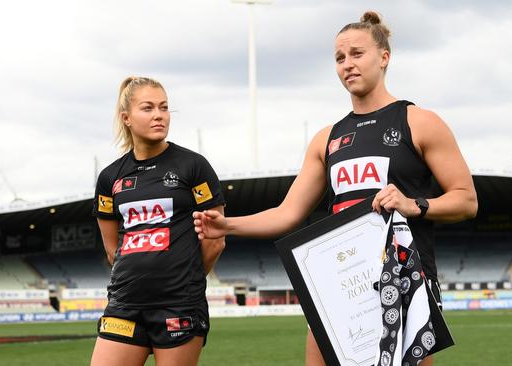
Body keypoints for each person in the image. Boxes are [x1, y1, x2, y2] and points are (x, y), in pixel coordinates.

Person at [193, 10, 477, 366]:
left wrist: (413, 204)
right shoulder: (326, 139)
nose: (347, 64)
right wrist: (229, 225)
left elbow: (466, 201)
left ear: (384, 57)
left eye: (357, 54)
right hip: (339, 289)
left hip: (403, 281)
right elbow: (288, 213)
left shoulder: (419, 122)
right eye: (340, 58)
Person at [90, 76, 226, 366]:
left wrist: (183, 279)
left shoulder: (193, 166)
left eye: (164, 108)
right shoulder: (110, 178)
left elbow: (215, 239)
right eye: (148, 108)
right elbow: (114, 250)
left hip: (179, 305)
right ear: (126, 118)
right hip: (124, 305)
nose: (159, 116)